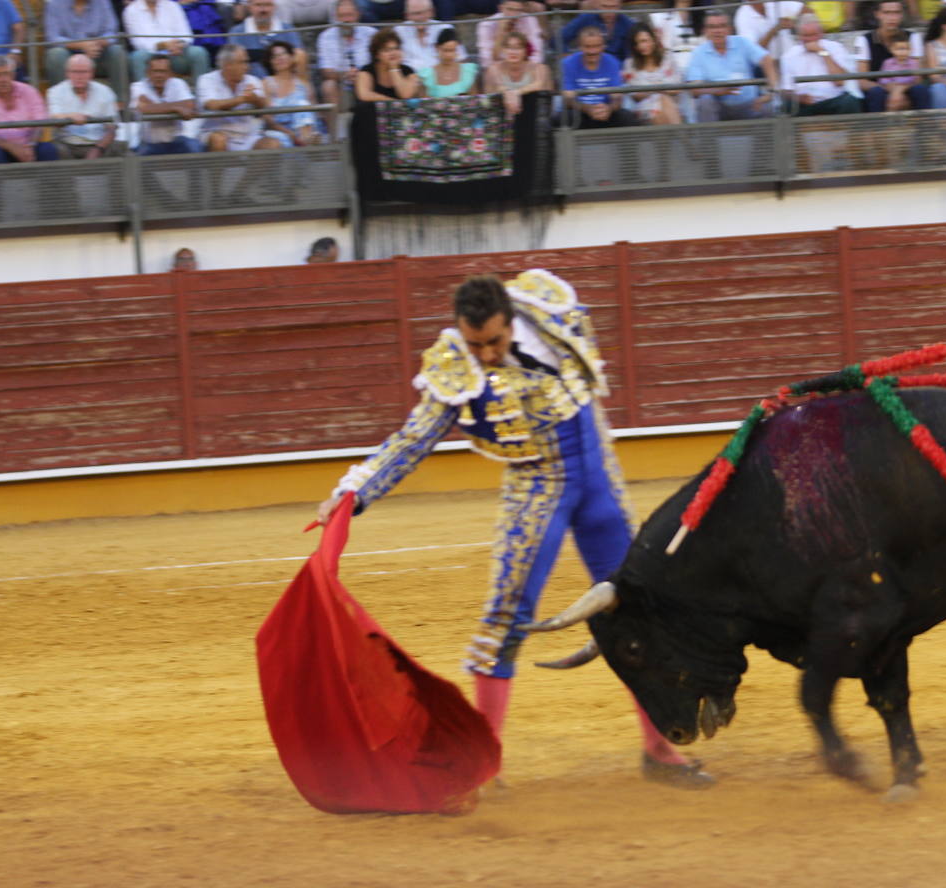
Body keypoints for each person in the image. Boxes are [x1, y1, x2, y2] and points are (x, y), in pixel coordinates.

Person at [314, 270, 716, 790]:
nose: (485, 354)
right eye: (475, 343)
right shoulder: (456, 369)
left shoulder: (549, 311)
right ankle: (484, 763)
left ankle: (659, 750)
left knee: (639, 613)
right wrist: (354, 492)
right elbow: (411, 440)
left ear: (512, 321)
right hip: (538, 490)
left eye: (495, 342)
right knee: (506, 620)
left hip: (599, 480)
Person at [685, 11, 778, 122]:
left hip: (749, 104)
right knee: (705, 102)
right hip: (719, 105)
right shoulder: (698, 53)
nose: (717, 31)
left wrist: (772, 92)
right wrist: (717, 90)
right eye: (712, 27)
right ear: (705, 31)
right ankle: (708, 139)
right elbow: (694, 89)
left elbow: (766, 59)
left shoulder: (742, 42)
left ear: (730, 29)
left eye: (722, 26)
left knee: (768, 106)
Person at [0, 55, 59, 164]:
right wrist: (11, 147)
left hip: (27, 145)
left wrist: (30, 145)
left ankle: (51, 181)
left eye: (6, 74)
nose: (3, 79)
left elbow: (39, 126)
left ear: (13, 75)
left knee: (48, 149)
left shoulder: (29, 91)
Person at [197, 43, 282, 150]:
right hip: (216, 132)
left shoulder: (252, 80)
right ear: (227, 65)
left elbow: (264, 106)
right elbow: (211, 105)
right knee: (218, 140)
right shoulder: (206, 79)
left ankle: (254, 168)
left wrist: (255, 99)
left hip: (247, 135)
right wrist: (242, 99)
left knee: (273, 144)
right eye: (243, 62)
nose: (247, 67)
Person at [43, 0, 127, 99]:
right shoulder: (54, 4)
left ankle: (120, 104)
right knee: (55, 54)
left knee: (117, 51)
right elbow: (53, 37)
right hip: (69, 55)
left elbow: (112, 33)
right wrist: (81, 45)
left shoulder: (103, 2)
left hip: (97, 52)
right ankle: (62, 103)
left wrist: (97, 43)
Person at [780, 14, 861, 115]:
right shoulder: (789, 56)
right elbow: (786, 90)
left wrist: (823, 52)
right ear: (799, 36)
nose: (810, 39)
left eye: (813, 35)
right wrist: (799, 98)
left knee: (850, 101)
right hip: (805, 104)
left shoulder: (836, 48)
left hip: (833, 100)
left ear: (821, 34)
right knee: (787, 106)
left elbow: (840, 81)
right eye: (806, 36)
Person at [46, 53, 123, 159]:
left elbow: (112, 128)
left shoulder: (105, 91)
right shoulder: (55, 91)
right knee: (52, 149)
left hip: (98, 143)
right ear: (67, 73)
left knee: (122, 148)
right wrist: (71, 116)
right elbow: (54, 117)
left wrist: (98, 148)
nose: (79, 76)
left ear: (92, 73)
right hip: (67, 144)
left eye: (84, 72)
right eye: (75, 72)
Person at [860, 0, 928, 112]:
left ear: (902, 14)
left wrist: (899, 90)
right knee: (875, 93)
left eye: (896, 12)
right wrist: (891, 90)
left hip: (907, 89)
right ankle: (877, 128)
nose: (892, 17)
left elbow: (918, 77)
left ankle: (925, 127)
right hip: (880, 90)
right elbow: (862, 81)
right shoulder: (865, 40)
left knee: (920, 90)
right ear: (877, 14)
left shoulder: (912, 37)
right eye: (887, 12)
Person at [131, 53, 206, 154]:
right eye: (155, 71)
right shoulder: (137, 86)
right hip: (150, 143)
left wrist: (155, 107)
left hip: (176, 141)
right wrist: (176, 108)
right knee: (137, 156)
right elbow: (143, 109)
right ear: (147, 73)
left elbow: (190, 104)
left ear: (170, 73)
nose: (159, 75)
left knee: (195, 147)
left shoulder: (178, 83)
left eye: (163, 71)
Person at [561, 26, 634, 127]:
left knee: (628, 118)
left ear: (603, 46)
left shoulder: (612, 62)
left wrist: (609, 109)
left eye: (596, 46)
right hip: (580, 112)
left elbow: (617, 99)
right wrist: (588, 109)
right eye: (588, 46)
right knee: (561, 119)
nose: (592, 51)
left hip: (606, 112)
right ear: (580, 47)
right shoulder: (568, 63)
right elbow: (568, 100)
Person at [124, 0, 213, 83]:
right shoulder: (131, 11)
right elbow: (138, 43)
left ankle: (201, 96)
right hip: (150, 56)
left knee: (198, 52)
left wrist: (179, 44)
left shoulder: (173, 6)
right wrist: (164, 45)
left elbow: (186, 35)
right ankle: (143, 96)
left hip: (175, 54)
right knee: (138, 56)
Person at [319, 0, 378, 114]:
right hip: (341, 85)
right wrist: (345, 75)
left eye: (349, 15)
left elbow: (379, 63)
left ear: (358, 15)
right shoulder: (326, 37)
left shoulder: (371, 34)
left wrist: (362, 76)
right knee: (328, 86)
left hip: (368, 82)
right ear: (336, 17)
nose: (346, 20)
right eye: (341, 16)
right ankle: (335, 131)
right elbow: (326, 71)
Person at [263, 40, 323, 145]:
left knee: (303, 105)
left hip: (306, 130)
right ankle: (306, 142)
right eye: (274, 56)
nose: (280, 58)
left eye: (284, 54)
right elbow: (268, 119)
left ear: (292, 57)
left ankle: (307, 140)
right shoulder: (266, 83)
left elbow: (300, 54)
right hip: (280, 131)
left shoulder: (302, 81)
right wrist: (291, 134)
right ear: (270, 62)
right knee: (282, 140)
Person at [621, 22, 683, 125]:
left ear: (653, 40)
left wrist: (657, 89)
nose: (641, 46)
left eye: (644, 41)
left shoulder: (667, 58)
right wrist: (657, 89)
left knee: (663, 101)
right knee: (659, 104)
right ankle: (682, 138)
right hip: (645, 107)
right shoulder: (630, 64)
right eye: (637, 43)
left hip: (670, 104)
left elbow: (677, 89)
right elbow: (635, 96)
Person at [228, 0, 307, 78]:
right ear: (249, 7)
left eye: (268, 5)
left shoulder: (287, 29)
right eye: (258, 5)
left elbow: (299, 56)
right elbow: (234, 64)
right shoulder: (237, 32)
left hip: (284, 83)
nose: (263, 10)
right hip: (251, 86)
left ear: (274, 7)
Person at [481, 31, 550, 116]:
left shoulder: (538, 68)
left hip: (532, 115)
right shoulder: (494, 69)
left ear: (525, 50)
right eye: (508, 47)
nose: (513, 52)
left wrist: (517, 92)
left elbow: (539, 84)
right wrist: (508, 92)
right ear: (503, 50)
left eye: (518, 48)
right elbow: (496, 87)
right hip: (501, 116)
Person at [396, 0, 464, 71]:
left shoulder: (445, 29)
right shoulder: (399, 31)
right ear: (407, 15)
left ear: (432, 12)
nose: (419, 17)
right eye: (414, 14)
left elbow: (461, 59)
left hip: (440, 78)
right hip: (409, 79)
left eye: (423, 12)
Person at [476, 0, 544, 69]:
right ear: (501, 8)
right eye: (510, 9)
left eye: (518, 10)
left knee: (542, 69)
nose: (514, 15)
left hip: (525, 67)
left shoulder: (530, 20)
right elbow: (487, 62)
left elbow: (537, 55)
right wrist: (500, 33)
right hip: (499, 69)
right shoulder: (487, 25)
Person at [355, 27, 420, 99]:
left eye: (396, 48)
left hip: (399, 110)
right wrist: (390, 102)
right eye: (386, 50)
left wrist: (394, 69)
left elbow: (405, 95)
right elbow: (364, 95)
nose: (393, 53)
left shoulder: (409, 71)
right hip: (372, 109)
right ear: (377, 55)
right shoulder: (367, 70)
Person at [560, 0, 633, 61]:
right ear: (597, 5)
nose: (609, 11)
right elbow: (558, 38)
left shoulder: (627, 24)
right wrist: (568, 57)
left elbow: (630, 57)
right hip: (587, 67)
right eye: (605, 6)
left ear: (620, 6)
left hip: (617, 70)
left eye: (613, 6)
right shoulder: (586, 19)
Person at [732, 0, 806, 61]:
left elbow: (805, 10)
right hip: (770, 65)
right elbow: (752, 51)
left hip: (794, 57)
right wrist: (774, 30)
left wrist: (797, 23)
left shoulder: (772, 2)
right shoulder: (742, 16)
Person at [417, 27, 479, 96]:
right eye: (445, 50)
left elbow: (475, 99)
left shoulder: (468, 71)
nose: (449, 55)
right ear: (437, 48)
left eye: (452, 50)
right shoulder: (427, 75)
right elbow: (424, 103)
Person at [875, 30, 920, 110]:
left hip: (908, 91)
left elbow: (915, 81)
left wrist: (900, 90)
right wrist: (895, 92)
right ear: (891, 49)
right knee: (892, 102)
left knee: (907, 100)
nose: (903, 52)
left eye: (906, 49)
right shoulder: (887, 63)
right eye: (899, 49)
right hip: (891, 93)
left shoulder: (913, 63)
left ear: (910, 50)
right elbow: (884, 81)